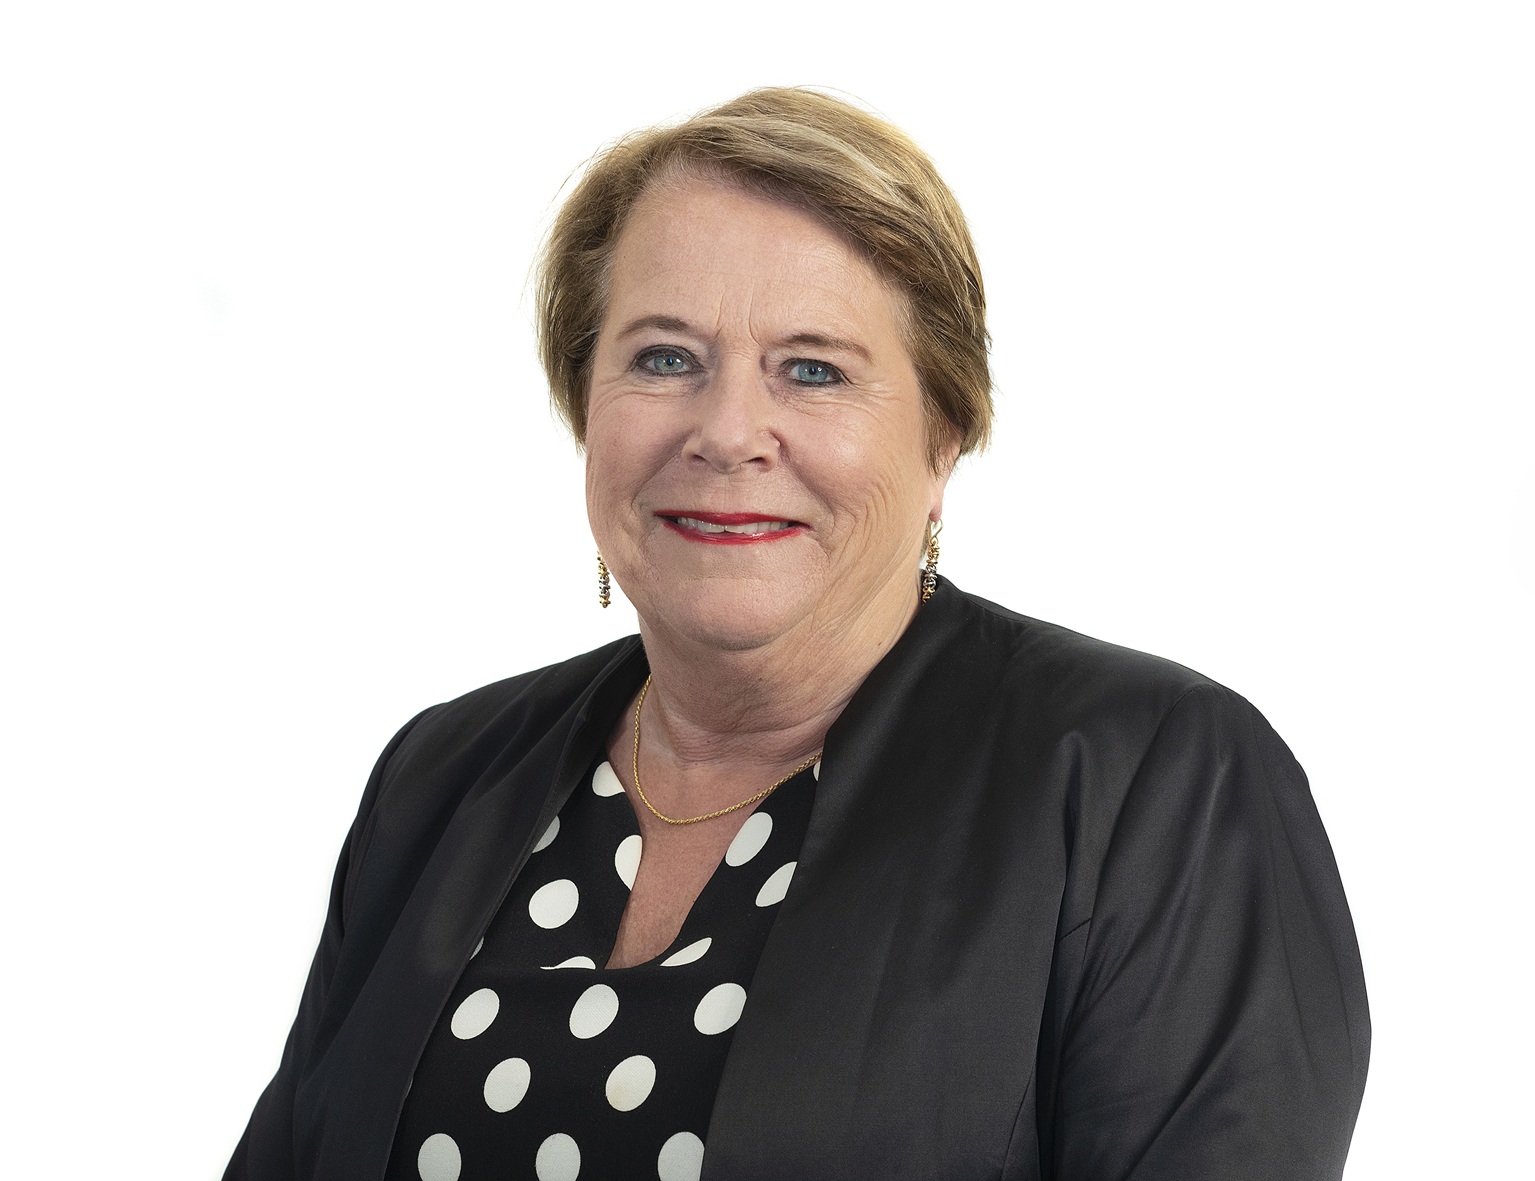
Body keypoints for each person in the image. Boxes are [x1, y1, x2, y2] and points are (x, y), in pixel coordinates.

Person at [224, 88, 1369, 1181]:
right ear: (585, 405)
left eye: (811, 370)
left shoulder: (1155, 779)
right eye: (663, 357)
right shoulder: (440, 775)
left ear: (943, 436)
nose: (728, 431)